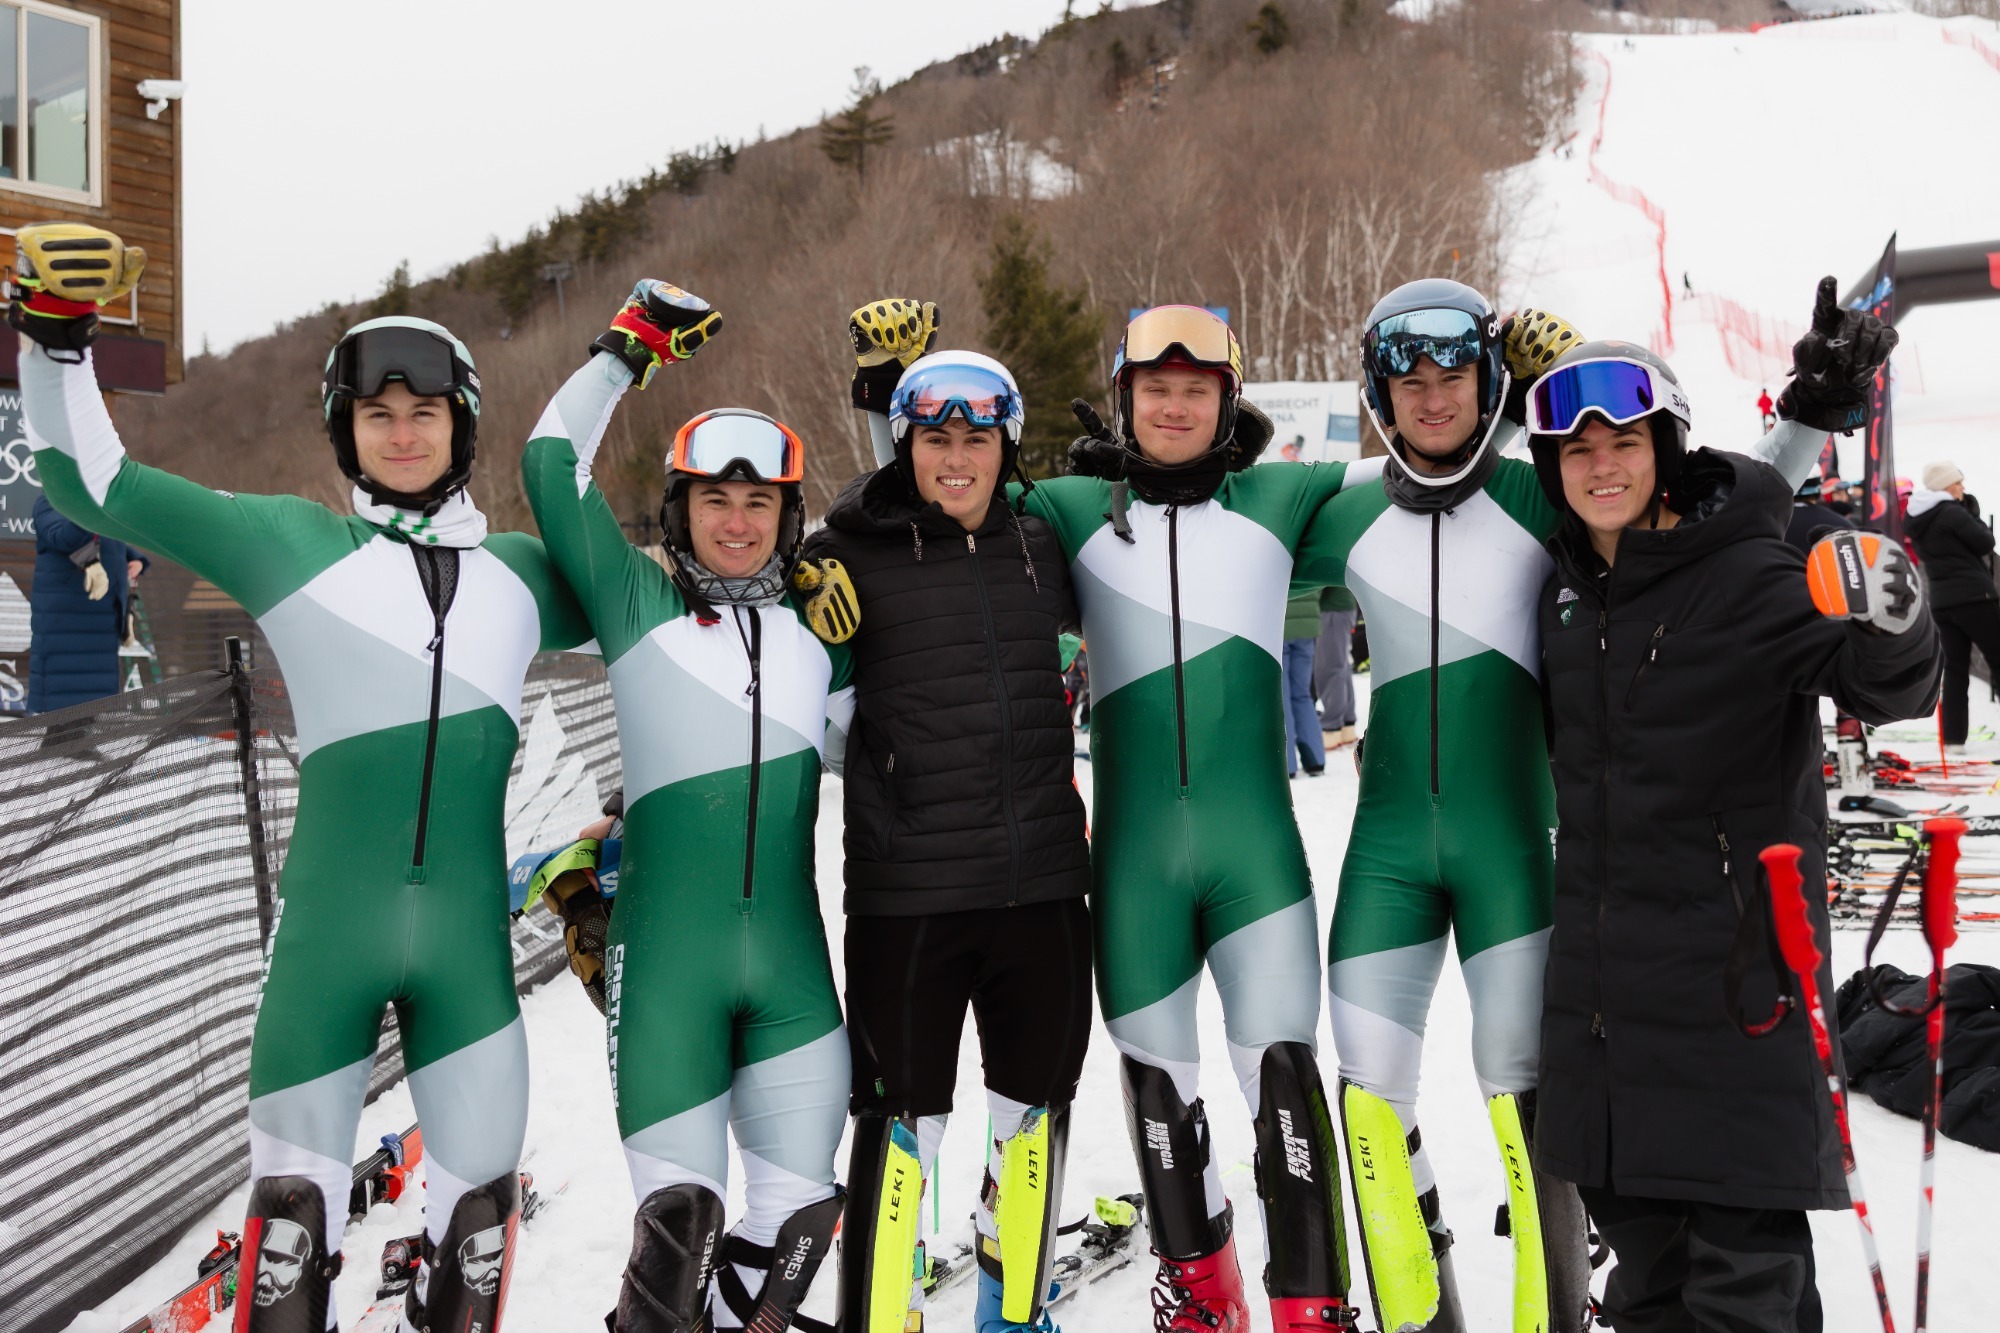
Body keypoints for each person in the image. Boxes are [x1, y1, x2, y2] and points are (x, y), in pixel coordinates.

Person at [14, 223, 593, 1331]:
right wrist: (54, 340)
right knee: (288, 1226)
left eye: (425, 412)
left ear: (460, 425)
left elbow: (659, 604)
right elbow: (96, 484)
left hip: (468, 963)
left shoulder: (519, 573)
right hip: (326, 952)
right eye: (378, 413)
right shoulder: (290, 544)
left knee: (476, 1237)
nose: (404, 432)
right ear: (346, 430)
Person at [1288, 277, 1868, 1333]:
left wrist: (1808, 416)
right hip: (1399, 859)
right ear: (1376, 392)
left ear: (1490, 385)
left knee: (1530, 1111)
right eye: (1406, 380)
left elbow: (1709, 504)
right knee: (1368, 1100)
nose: (1430, 397)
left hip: (1527, 854)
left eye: (1454, 374)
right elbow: (1202, 526)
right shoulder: (1341, 508)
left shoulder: (1538, 500)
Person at [868, 303, 1353, 1331]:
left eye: (1196, 389)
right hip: (1133, 872)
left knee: (1282, 1082)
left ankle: (1312, 1308)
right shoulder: (1071, 505)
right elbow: (939, 488)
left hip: (1254, 857)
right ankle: (1202, 1294)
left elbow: (1440, 482)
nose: (1173, 406)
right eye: (1153, 388)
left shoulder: (1284, 492)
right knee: (1157, 1095)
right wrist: (885, 400)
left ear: (1229, 400)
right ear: (1123, 399)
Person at [1525, 338, 1940, 1333]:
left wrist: (1895, 619)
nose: (1600, 466)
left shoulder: (1751, 571)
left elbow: (1888, 684)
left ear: (1665, 446)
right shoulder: (1567, 596)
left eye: (1621, 441)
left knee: (1741, 1291)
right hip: (1604, 1018)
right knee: (1651, 1291)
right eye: (1574, 452)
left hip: (1734, 1003)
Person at [519, 280, 855, 1333]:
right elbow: (546, 466)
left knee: (798, 1220)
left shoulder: (820, 635)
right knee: (679, 1231)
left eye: (760, 502)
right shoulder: (636, 605)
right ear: (680, 510)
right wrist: (627, 353)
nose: (738, 520)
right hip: (667, 972)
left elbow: (893, 745)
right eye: (715, 499)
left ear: (788, 516)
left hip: (793, 972)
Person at [805, 304, 1091, 1333]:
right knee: (896, 1133)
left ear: (1006, 446)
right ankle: (883, 1319)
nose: (957, 457)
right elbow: (803, 711)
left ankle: (1009, 1316)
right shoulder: (845, 551)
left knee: (1030, 1123)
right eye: (935, 439)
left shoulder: (1041, 543)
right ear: (906, 445)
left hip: (1044, 892)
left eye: (978, 438)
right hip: (910, 898)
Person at [1906, 459, 1999, 750]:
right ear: (1945, 486)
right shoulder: (1951, 512)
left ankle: (1954, 739)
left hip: (1943, 603)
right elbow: (1985, 543)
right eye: (1958, 481)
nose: (1962, 486)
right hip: (1975, 598)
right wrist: (1973, 515)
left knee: (1955, 671)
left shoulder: (1918, 517)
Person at [27, 492, 145, 713]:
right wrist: (92, 511)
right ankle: (63, 746)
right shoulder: (52, 500)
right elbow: (63, 536)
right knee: (63, 699)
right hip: (67, 617)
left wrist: (133, 556)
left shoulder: (96, 504)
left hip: (98, 618)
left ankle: (80, 745)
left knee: (90, 699)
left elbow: (104, 536)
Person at [1281, 592, 1325, 776]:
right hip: (1307, 628)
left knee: (1282, 695)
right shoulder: (1305, 561)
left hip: (1279, 625)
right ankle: (1315, 759)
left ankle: (1287, 763)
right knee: (1302, 694)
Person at [1313, 588, 1358, 750]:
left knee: (1330, 669)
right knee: (1340, 668)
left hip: (1332, 610)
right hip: (1339, 608)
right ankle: (1346, 724)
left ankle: (1331, 728)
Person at [1783, 472, 1854, 554]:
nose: (1843, 497)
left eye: (1844, 494)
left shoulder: (1771, 521)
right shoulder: (1841, 524)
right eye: (1837, 493)